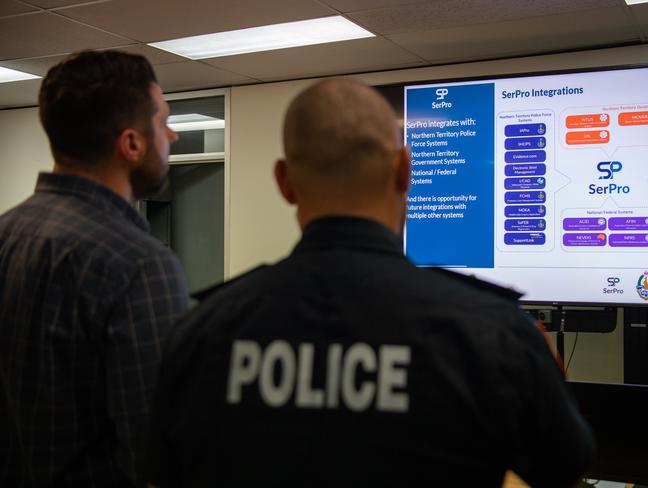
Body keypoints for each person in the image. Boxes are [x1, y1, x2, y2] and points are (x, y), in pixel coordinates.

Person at [145, 79, 595, 487]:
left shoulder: (204, 331)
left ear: (285, 183)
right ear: (404, 170)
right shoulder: (494, 332)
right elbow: (563, 475)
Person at [0, 50, 189, 487]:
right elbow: (157, 454)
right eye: (163, 122)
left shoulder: (6, 234)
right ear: (132, 144)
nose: (173, 136)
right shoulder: (141, 262)